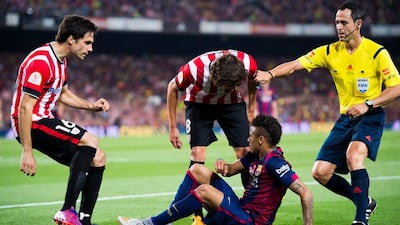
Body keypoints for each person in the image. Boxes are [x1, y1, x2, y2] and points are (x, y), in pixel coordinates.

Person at [255, 1, 400, 225]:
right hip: (346, 119)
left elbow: (396, 88)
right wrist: (271, 74)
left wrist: (368, 104)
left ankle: (361, 220)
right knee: (320, 172)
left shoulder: (377, 53)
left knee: (354, 156)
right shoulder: (330, 52)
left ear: (358, 24)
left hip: (370, 115)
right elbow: (294, 65)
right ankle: (365, 201)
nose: (339, 27)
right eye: (336, 22)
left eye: (344, 22)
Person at [117, 114, 313, 225]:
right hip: (242, 209)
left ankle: (149, 223)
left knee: (204, 191)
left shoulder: (275, 162)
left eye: (251, 136)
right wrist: (222, 165)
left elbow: (306, 193)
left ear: (261, 140)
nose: (247, 139)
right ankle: (167, 220)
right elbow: (229, 170)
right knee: (198, 169)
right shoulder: (255, 155)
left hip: (252, 221)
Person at [10, 15, 110, 225]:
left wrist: (92, 106)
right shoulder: (41, 61)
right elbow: (25, 107)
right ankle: (67, 210)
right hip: (31, 122)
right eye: (88, 42)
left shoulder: (60, 61)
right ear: (72, 39)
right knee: (90, 140)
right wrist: (27, 151)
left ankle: (83, 220)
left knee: (98, 158)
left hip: (42, 119)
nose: (90, 49)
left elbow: (62, 94)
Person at [166, 49, 258, 224]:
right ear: (215, 78)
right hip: (198, 103)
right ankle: (198, 216)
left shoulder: (247, 63)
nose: (226, 89)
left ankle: (251, 205)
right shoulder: (193, 69)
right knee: (198, 155)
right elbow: (172, 87)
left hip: (232, 104)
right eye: (226, 86)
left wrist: (251, 109)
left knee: (246, 153)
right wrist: (172, 127)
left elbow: (254, 79)